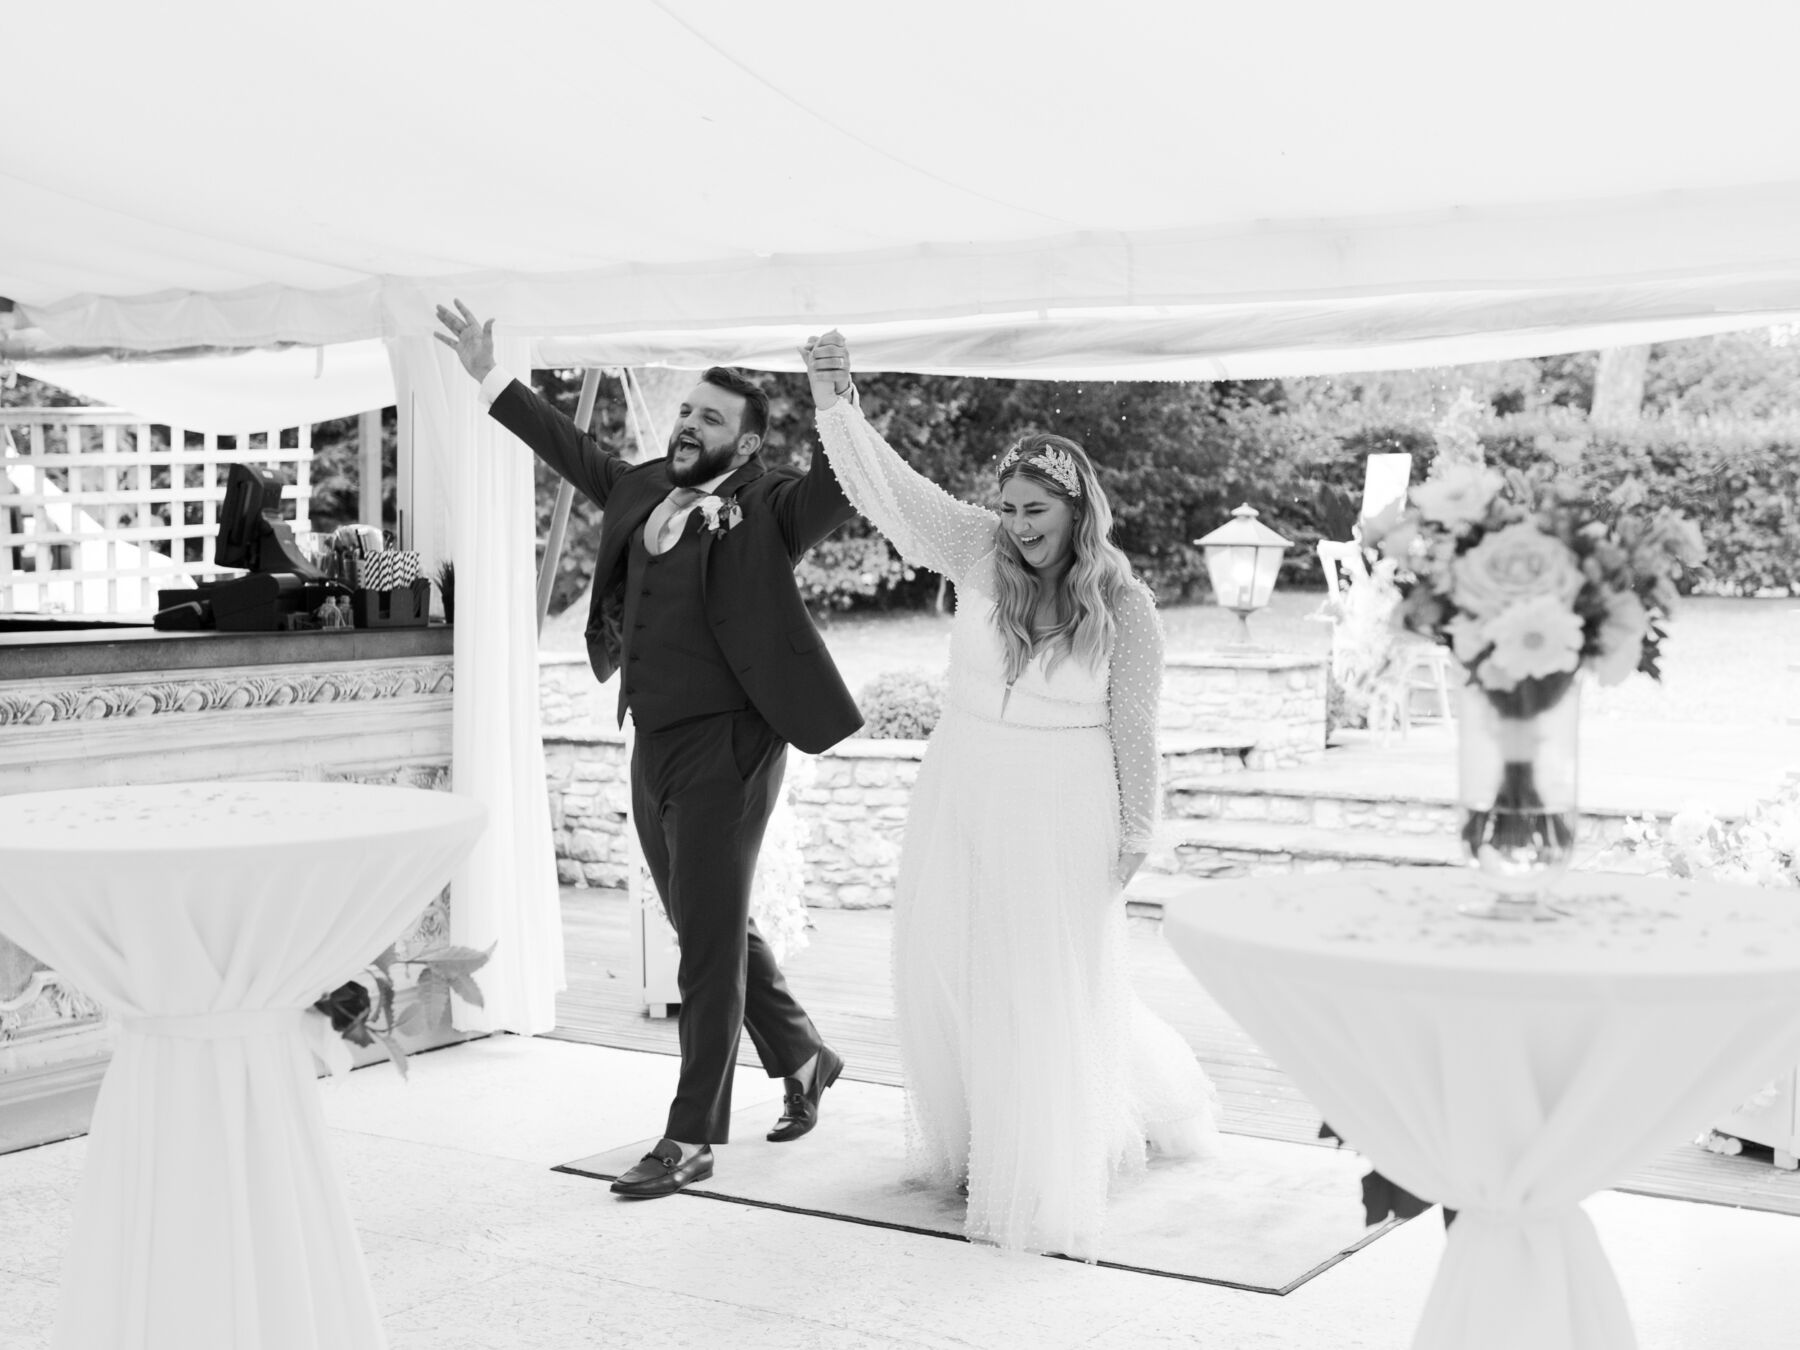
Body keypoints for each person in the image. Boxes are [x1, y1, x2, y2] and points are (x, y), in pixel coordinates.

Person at [799, 330, 1218, 1260]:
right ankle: (984, 1134)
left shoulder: (1127, 607)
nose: (1020, 524)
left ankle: (1043, 1158)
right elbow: (897, 499)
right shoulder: (978, 553)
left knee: (1040, 979)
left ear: (1079, 512)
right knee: (952, 961)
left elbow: (1134, 728)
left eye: (1037, 510)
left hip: (1064, 796)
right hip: (964, 779)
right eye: (1011, 507)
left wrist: (1137, 827)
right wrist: (836, 401)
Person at [435, 301, 860, 1198]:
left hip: (733, 745)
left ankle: (691, 1136)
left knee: (702, 948)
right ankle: (805, 1057)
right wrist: (490, 374)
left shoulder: (768, 505)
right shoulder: (637, 489)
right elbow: (569, 447)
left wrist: (833, 397)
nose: (688, 424)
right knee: (703, 926)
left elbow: (838, 482)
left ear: (744, 446)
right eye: (687, 410)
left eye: (710, 417)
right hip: (652, 739)